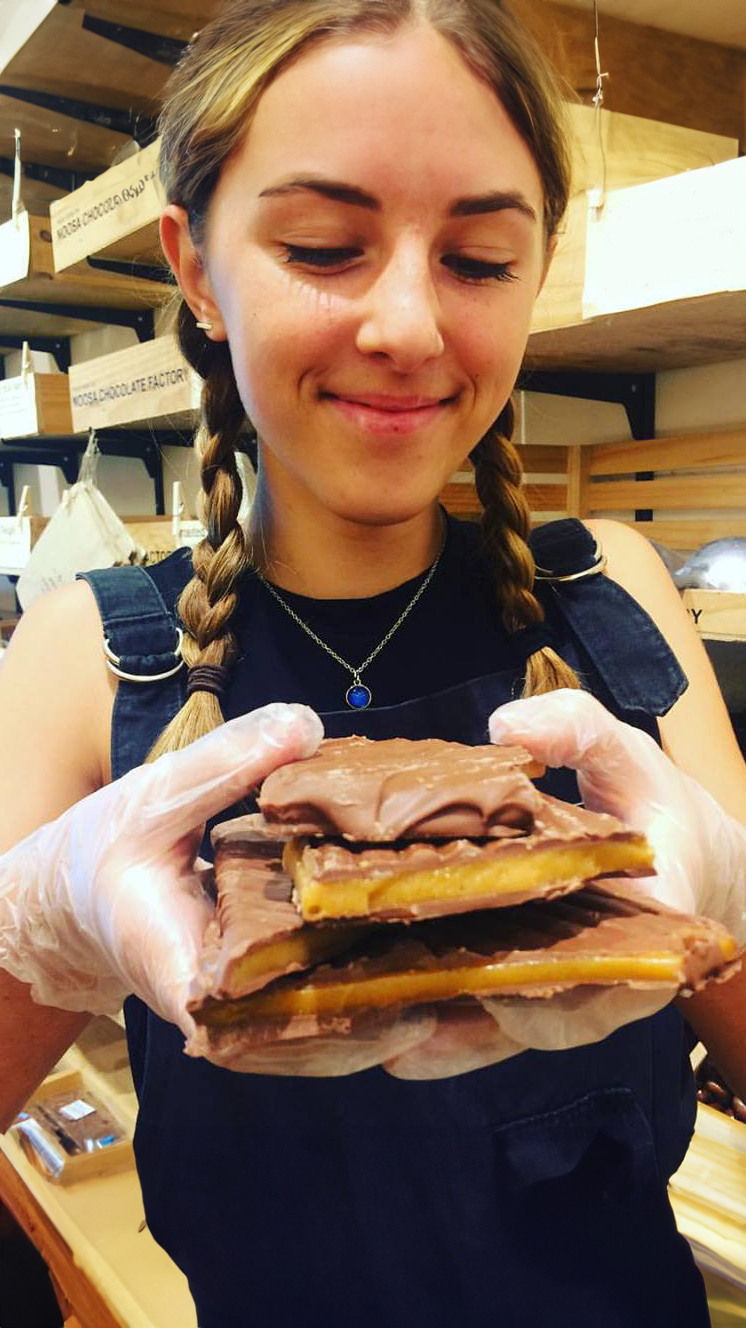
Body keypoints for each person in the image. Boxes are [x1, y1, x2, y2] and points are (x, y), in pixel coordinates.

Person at [2, 2, 746, 1323]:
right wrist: (44, 932)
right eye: (324, 246)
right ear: (192, 266)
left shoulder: (613, 593)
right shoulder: (86, 653)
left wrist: (728, 912)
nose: (408, 323)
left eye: (476, 257)